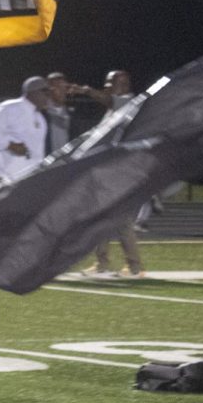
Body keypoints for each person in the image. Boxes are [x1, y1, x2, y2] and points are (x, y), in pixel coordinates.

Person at [74, 71, 145, 278]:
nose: (106, 89)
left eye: (110, 85)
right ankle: (102, 263)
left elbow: (107, 99)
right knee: (100, 218)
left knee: (121, 220)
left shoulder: (127, 102)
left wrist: (85, 90)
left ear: (120, 85)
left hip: (120, 172)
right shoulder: (113, 109)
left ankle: (135, 267)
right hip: (107, 171)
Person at [0, 76, 51, 190]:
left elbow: (37, 153)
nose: (48, 98)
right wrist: (10, 145)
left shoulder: (41, 119)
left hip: (25, 180)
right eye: (46, 94)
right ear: (33, 93)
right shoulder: (11, 107)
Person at [44, 72, 73, 154]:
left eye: (64, 87)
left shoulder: (72, 113)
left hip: (65, 162)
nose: (62, 91)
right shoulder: (41, 112)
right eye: (57, 87)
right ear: (49, 89)